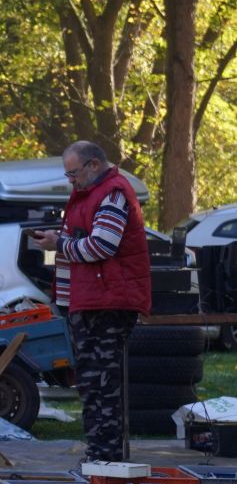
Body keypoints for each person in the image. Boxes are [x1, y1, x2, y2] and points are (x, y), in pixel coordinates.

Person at [31, 141, 151, 463]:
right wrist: (56, 244)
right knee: (90, 383)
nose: (71, 179)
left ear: (94, 164)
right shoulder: (86, 195)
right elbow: (81, 244)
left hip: (107, 304)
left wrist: (61, 243)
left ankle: (107, 458)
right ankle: (98, 455)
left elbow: (101, 246)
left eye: (73, 172)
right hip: (88, 301)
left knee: (102, 383)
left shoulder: (111, 194)